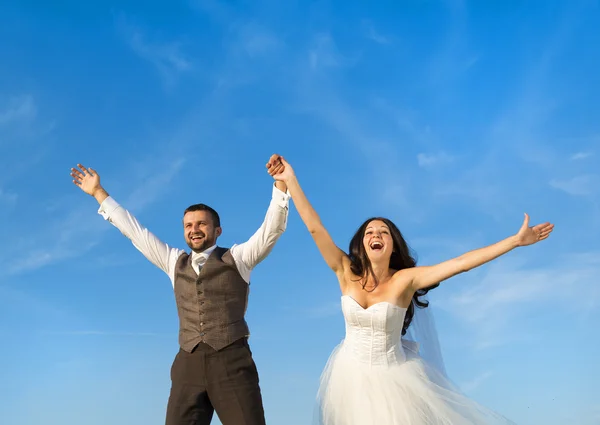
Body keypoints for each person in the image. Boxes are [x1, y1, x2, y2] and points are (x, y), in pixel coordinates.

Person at [266, 157, 553, 425]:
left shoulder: (407, 280)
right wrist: (290, 179)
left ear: (393, 245)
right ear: (361, 244)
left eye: (383, 232)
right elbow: (315, 228)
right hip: (349, 378)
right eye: (369, 232)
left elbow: (461, 263)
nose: (375, 235)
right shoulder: (345, 272)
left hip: (396, 381)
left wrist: (514, 241)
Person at [70, 155, 290, 425]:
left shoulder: (239, 258)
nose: (194, 230)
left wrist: (280, 185)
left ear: (217, 230)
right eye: (188, 225)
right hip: (188, 364)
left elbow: (272, 230)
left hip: (232, 361)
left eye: (201, 224)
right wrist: (99, 193)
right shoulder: (174, 261)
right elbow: (135, 232)